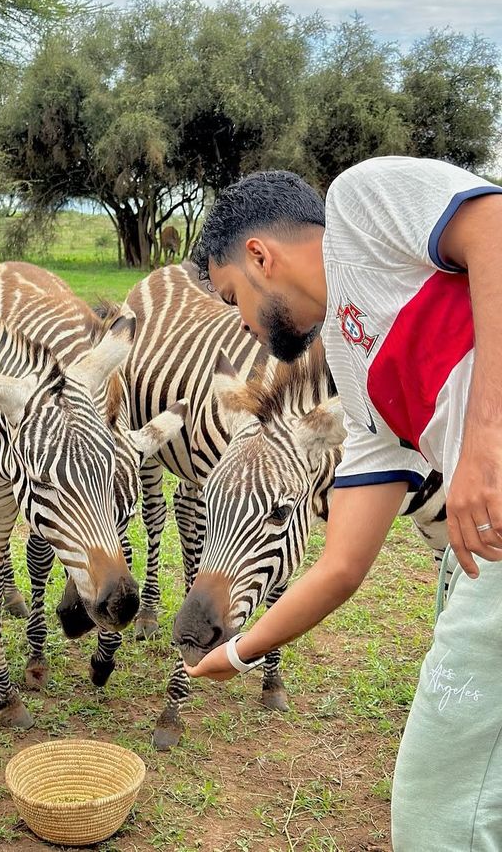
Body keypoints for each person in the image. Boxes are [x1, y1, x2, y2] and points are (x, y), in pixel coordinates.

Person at [187, 157, 502, 851]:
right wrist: (238, 652)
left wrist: (482, 440)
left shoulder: (360, 203)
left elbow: (495, 228)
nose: (242, 324)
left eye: (232, 295)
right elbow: (340, 567)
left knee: (436, 816)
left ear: (260, 255)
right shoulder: (360, 391)